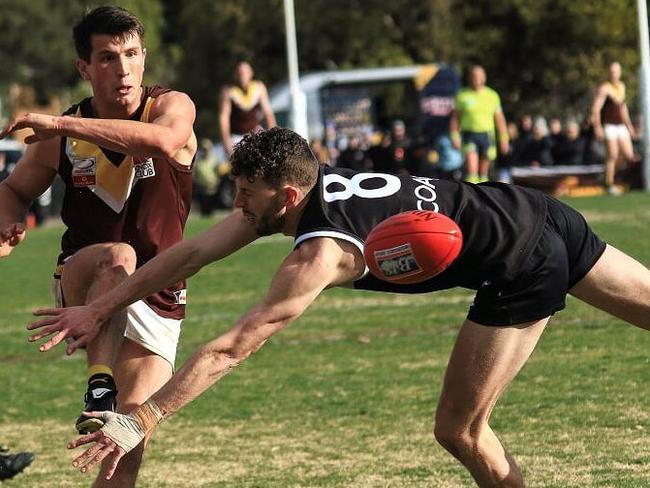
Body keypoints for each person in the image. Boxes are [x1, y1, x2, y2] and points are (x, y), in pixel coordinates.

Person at [28, 128, 649, 487]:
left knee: (459, 430)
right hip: (536, 210)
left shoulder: (319, 253)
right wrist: (97, 307)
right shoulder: (296, 194)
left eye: (247, 192)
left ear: (288, 193)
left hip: (521, 262)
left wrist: (140, 419)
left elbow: (234, 346)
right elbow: (189, 256)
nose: (237, 203)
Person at [0, 6, 197, 487]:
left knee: (124, 446)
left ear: (145, 57)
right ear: (84, 69)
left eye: (131, 54)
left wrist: (66, 127)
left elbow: (163, 143)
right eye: (107, 58)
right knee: (118, 256)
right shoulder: (59, 136)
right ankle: (99, 386)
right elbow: (12, 189)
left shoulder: (172, 107)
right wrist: (7, 218)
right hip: (85, 275)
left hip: (159, 293)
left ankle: (108, 409)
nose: (123, 69)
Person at [450, 65, 509, 183]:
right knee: (472, 170)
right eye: (473, 76)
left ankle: (483, 191)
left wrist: (504, 138)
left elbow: (500, 119)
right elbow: (455, 118)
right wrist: (454, 135)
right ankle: (471, 191)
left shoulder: (492, 96)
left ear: (484, 78)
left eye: (479, 76)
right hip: (469, 134)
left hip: (487, 134)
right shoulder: (462, 95)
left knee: (483, 173)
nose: (476, 79)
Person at [590, 61, 640, 194]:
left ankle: (606, 175)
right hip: (609, 125)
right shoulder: (605, 88)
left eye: (616, 71)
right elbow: (596, 109)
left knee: (628, 155)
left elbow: (623, 108)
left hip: (621, 125)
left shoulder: (621, 87)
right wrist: (597, 127)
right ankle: (609, 183)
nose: (614, 74)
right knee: (612, 154)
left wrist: (630, 127)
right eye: (612, 71)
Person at [218, 60, 276, 158]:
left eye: (245, 73)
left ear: (251, 73)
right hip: (236, 137)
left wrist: (274, 136)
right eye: (240, 73)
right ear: (235, 75)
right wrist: (226, 142)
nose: (243, 76)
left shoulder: (258, 88)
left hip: (255, 134)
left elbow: (268, 114)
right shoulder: (228, 91)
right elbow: (224, 118)